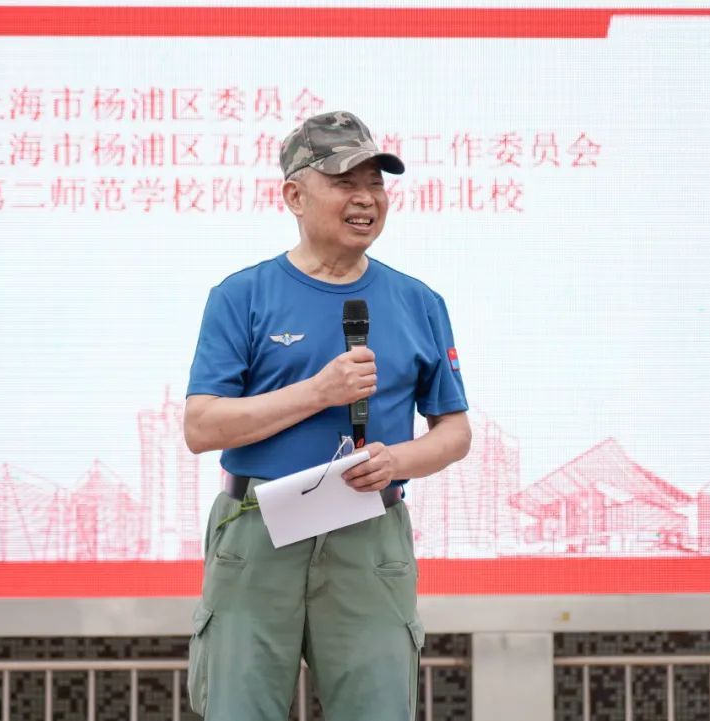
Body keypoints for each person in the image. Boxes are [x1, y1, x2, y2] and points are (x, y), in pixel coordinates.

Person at [183, 110, 472, 721]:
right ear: (295, 195)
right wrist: (317, 392)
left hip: (369, 534)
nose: (366, 199)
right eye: (345, 182)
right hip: (258, 530)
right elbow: (202, 427)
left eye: (376, 183)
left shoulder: (418, 301)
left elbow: (454, 432)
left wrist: (398, 459)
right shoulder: (242, 295)